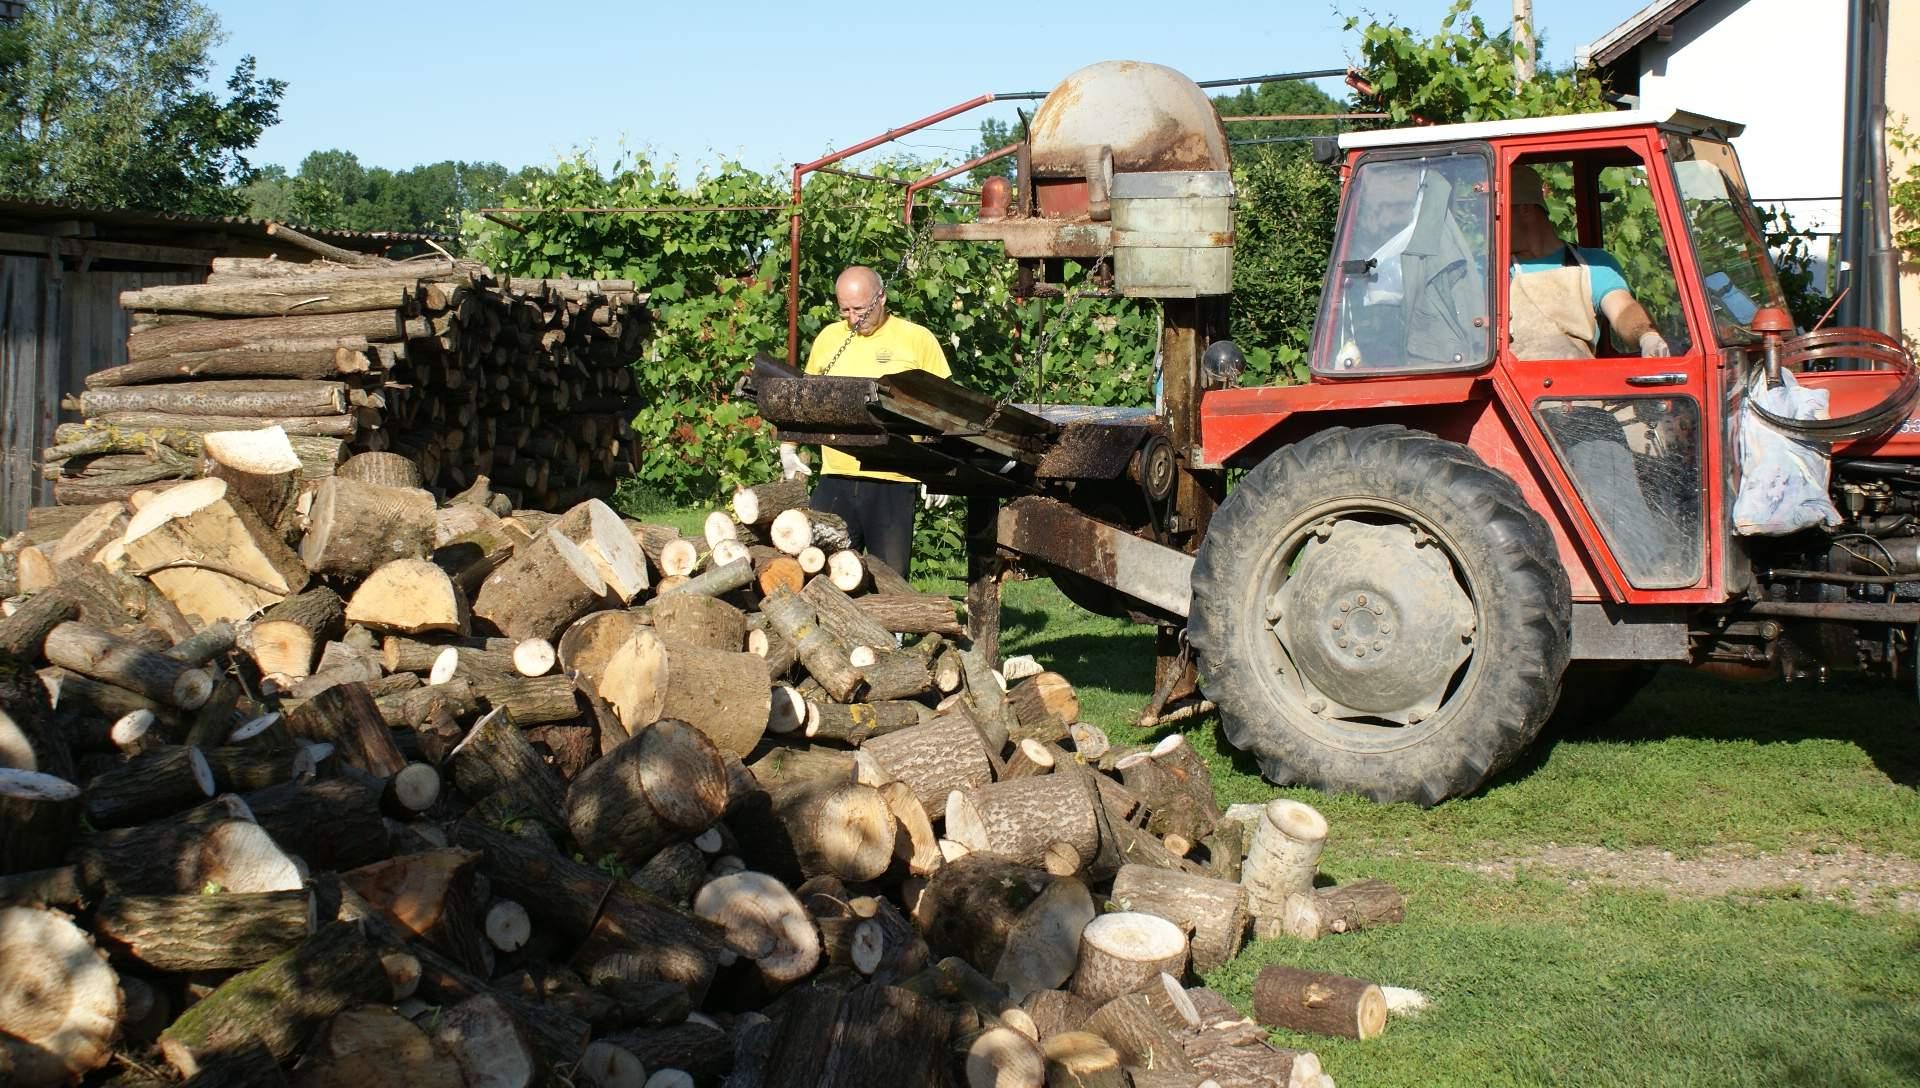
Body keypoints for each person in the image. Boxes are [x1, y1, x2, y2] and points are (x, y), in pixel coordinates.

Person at [778, 265, 951, 576]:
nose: (853, 318)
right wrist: (789, 447)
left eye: (860, 309)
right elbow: (805, 400)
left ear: (881, 298)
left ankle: (893, 625)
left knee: (889, 574)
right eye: (844, 309)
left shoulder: (916, 339)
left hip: (893, 479)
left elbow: (943, 410)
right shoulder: (830, 338)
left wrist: (938, 468)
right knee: (821, 568)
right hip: (836, 476)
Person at [1508, 164, 1672, 361]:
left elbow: (1622, 309)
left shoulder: (1592, 265)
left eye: (1497, 214)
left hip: (1577, 386)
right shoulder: (1492, 273)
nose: (1491, 226)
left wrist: (1647, 336)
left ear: (1524, 210)